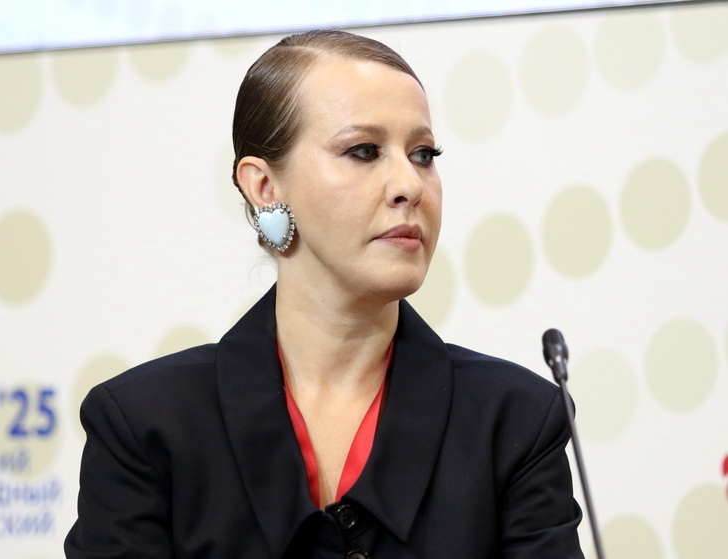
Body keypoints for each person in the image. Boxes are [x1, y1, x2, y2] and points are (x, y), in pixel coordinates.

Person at [65, 30, 584, 558]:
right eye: (364, 151)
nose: (410, 185)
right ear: (264, 187)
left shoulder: (518, 420)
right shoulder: (144, 426)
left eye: (423, 154)